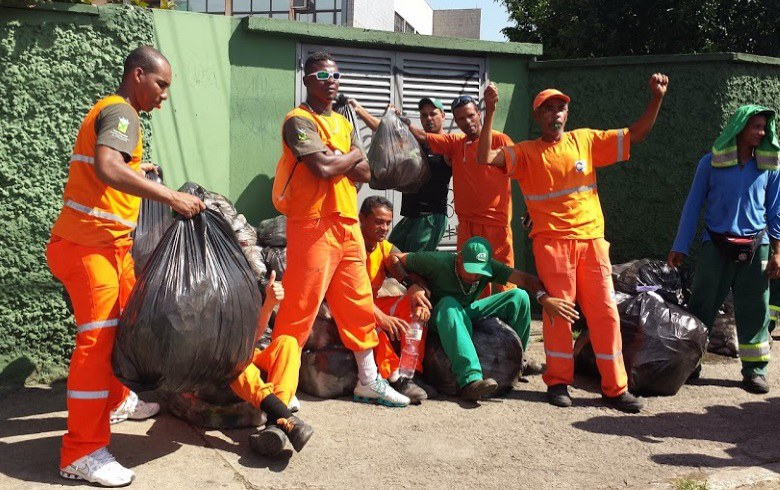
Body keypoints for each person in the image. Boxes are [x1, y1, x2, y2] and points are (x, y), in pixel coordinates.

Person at [47, 46, 205, 487]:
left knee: (126, 328)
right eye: (161, 84)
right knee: (96, 347)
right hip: (88, 248)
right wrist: (171, 197)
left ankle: (118, 400)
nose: (164, 95)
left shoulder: (116, 112)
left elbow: (116, 166)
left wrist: (140, 166)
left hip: (107, 247)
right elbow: (107, 167)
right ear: (138, 75)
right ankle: (81, 452)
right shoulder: (123, 112)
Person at [478, 74, 669, 412]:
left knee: (606, 315)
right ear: (538, 116)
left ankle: (615, 388)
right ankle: (558, 381)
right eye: (548, 109)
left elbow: (637, 134)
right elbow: (485, 158)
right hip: (552, 245)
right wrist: (490, 112)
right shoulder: (525, 152)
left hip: (592, 242)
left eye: (561, 108)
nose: (556, 114)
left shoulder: (586, 141)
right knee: (558, 314)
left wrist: (656, 97)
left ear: (567, 114)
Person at [271, 51, 409, 407]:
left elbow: (365, 173)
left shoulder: (344, 125)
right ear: (306, 81)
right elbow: (323, 168)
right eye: (321, 76)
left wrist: (339, 156)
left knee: (358, 305)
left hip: (346, 223)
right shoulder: (298, 121)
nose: (330, 82)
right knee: (300, 308)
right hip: (312, 223)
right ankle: (281, 390)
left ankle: (369, 380)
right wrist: (345, 157)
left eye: (334, 76)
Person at [668, 105, 780, 394]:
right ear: (740, 127)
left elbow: (776, 212)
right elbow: (692, 206)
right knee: (701, 306)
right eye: (755, 126)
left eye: (764, 127)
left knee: (755, 310)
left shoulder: (770, 167)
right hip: (715, 247)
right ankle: (691, 363)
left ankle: (755, 371)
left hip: (757, 248)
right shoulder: (710, 163)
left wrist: (777, 252)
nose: (762, 132)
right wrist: (680, 246)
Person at [390, 236, 579, 401]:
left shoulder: (486, 269)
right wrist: (411, 285)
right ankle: (470, 381)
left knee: (519, 297)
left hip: (465, 312)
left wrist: (544, 299)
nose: (475, 276)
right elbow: (394, 258)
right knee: (449, 303)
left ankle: (518, 360)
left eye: (480, 271)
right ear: (459, 259)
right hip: (438, 316)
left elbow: (526, 280)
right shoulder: (437, 261)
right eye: (470, 269)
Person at [405, 95, 515, 294]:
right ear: (455, 121)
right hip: (467, 224)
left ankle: (507, 319)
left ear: (479, 114)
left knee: (503, 278)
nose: (468, 122)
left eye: (471, 115)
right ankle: (479, 321)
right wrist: (402, 122)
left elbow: (521, 172)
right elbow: (425, 137)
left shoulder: (500, 139)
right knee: (471, 276)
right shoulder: (456, 142)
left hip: (495, 223)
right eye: (462, 119)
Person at [350, 97, 452, 252]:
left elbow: (427, 140)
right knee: (389, 255)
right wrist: (359, 110)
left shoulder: (448, 145)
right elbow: (383, 131)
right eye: (424, 115)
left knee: (414, 264)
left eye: (433, 114)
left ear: (443, 116)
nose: (428, 118)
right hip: (411, 215)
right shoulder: (416, 141)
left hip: (430, 217)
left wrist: (403, 123)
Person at [230, 270, 314, 457]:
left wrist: (269, 301)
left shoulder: (233, 283)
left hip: (248, 351)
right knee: (234, 358)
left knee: (288, 343)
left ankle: (275, 425)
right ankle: (285, 417)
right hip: (218, 359)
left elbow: (253, 336)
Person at [359, 196, 434, 404]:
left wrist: (416, 290)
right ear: (361, 219)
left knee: (414, 307)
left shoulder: (383, 246)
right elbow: (352, 298)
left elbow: (400, 264)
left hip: (371, 304)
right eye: (378, 222)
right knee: (376, 329)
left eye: (388, 223)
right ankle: (395, 378)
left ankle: (411, 373)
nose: (384, 228)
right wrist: (381, 317)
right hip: (350, 308)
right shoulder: (351, 246)